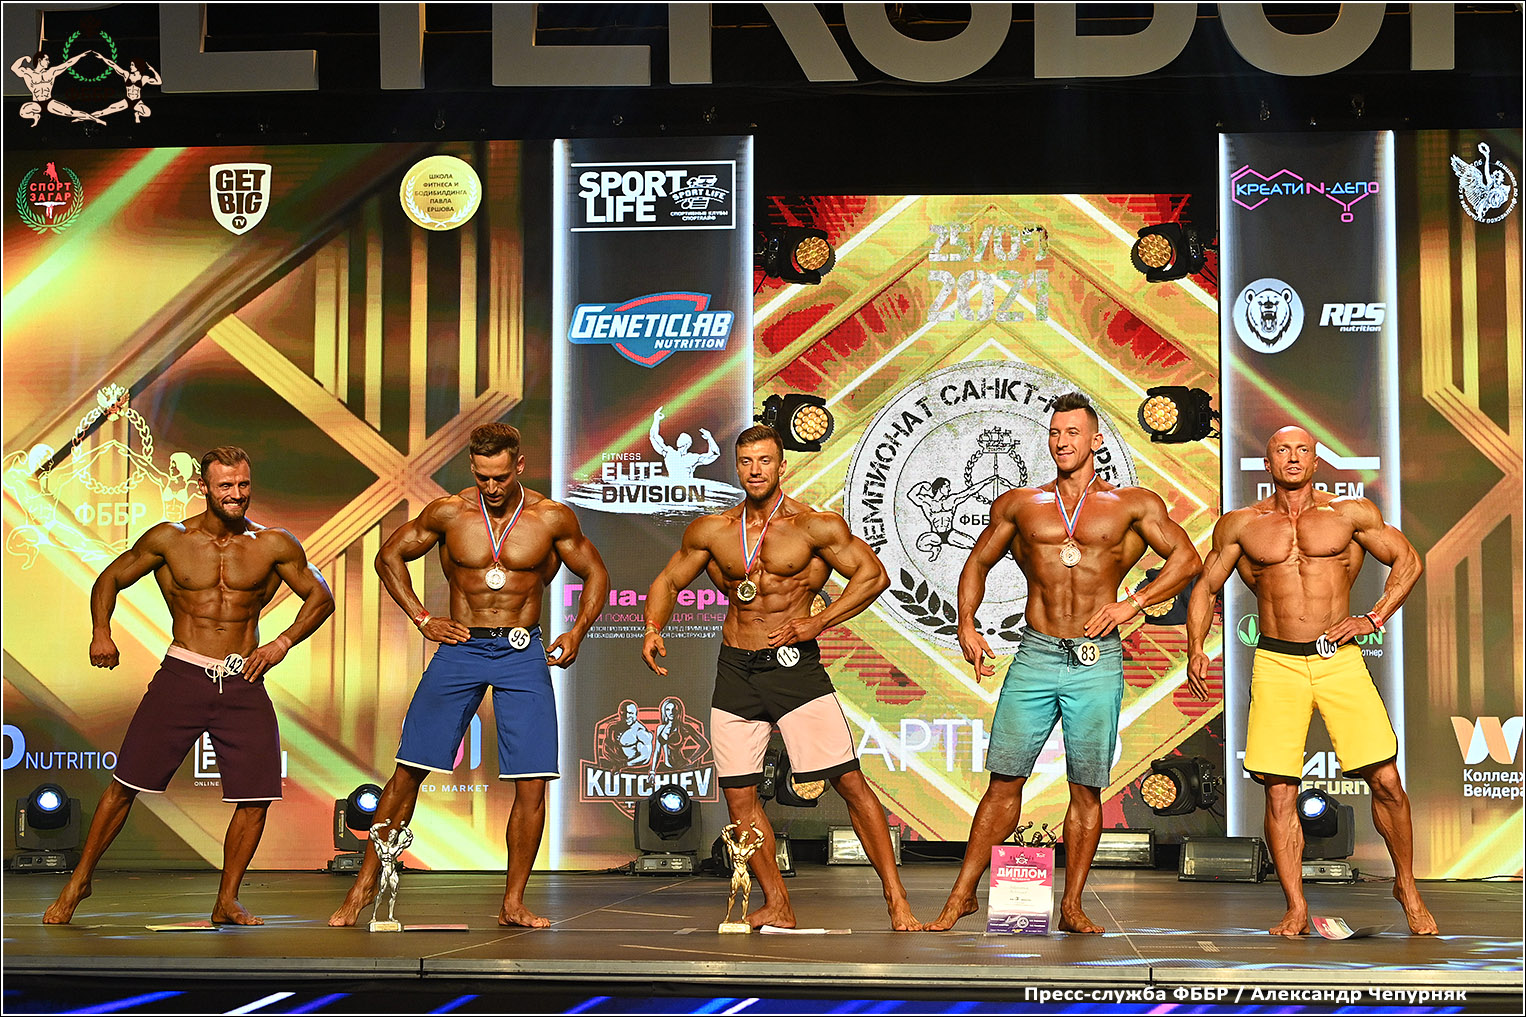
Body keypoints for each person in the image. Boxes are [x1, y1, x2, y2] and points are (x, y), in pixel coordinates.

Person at [927, 392, 1202, 933]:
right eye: (1055, 433)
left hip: (1096, 659)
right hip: (1037, 652)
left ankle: (1072, 905)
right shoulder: (1020, 503)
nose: (1062, 441)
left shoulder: (1131, 503)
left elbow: (1187, 559)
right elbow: (977, 560)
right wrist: (965, 624)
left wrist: (1132, 603)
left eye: (1073, 432)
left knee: (1085, 786)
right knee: (1004, 780)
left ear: (1095, 440)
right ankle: (961, 895)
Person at [642, 425, 921, 931]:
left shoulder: (814, 526)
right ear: (737, 466)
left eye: (765, 461)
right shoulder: (713, 530)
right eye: (746, 461)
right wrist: (653, 627)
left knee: (848, 782)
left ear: (781, 466)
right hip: (736, 668)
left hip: (793, 667)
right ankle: (778, 904)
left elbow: (873, 575)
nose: (755, 470)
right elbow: (667, 579)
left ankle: (897, 900)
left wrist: (819, 621)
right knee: (739, 797)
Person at [329, 423, 609, 928]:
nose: (492, 487)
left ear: (519, 465)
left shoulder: (550, 517)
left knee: (533, 782)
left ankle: (513, 902)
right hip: (462, 647)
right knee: (408, 770)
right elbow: (388, 556)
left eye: (501, 477)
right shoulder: (449, 512)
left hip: (522, 649)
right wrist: (422, 618)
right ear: (472, 469)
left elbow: (596, 572)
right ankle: (363, 885)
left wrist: (577, 631)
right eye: (483, 477)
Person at [44, 447, 335, 925]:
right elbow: (109, 579)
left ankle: (227, 900)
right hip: (182, 674)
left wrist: (281, 643)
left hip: (242, 678)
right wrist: (101, 632)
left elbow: (321, 597)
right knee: (125, 784)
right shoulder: (170, 538)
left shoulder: (274, 544)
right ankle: (79, 882)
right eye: (226, 485)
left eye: (243, 484)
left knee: (256, 796)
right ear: (204, 487)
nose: (236, 494)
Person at [1186, 425, 1437, 936]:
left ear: (1316, 460)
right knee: (1279, 791)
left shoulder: (1349, 513)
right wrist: (1195, 647)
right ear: (1268, 462)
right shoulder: (1241, 524)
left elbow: (1408, 560)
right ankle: (1296, 907)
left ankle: (1407, 887)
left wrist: (1373, 617)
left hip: (1338, 660)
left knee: (1385, 779)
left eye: (1303, 449)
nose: (1293, 458)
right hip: (1277, 662)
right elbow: (1206, 586)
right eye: (1282, 450)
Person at [11, 51, 107, 126]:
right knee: (23, 112)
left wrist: (80, 56)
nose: (48, 62)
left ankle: (96, 119)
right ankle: (35, 116)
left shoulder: (51, 72)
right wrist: (24, 58)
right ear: (40, 60)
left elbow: (67, 64)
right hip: (36, 103)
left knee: (71, 112)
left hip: (49, 102)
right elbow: (14, 68)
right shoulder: (29, 73)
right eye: (46, 59)